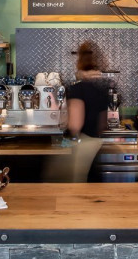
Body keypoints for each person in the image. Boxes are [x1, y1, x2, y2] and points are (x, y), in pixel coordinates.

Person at [42, 40, 110, 182]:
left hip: (83, 149)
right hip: (97, 146)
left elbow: (75, 125)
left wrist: (64, 120)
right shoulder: (104, 87)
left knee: (72, 190)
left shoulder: (78, 88)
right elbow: (103, 124)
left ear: (80, 60)